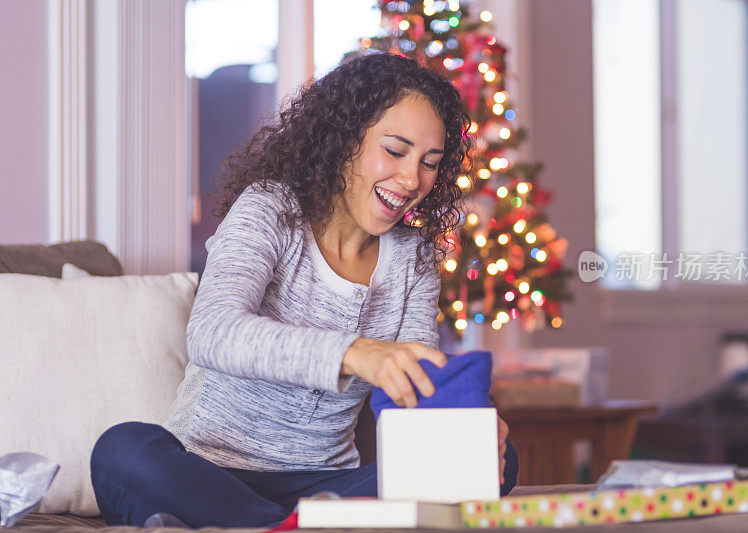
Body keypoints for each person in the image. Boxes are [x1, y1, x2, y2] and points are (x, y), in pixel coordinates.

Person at [90, 51, 518, 529]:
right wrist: (356, 354)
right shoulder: (270, 209)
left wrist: (467, 424)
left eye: (429, 163)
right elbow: (212, 331)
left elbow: (416, 388)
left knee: (499, 462)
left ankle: (280, 525)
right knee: (123, 451)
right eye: (395, 152)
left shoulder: (413, 258)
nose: (411, 179)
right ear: (345, 139)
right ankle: (291, 524)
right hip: (208, 473)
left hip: (328, 486)